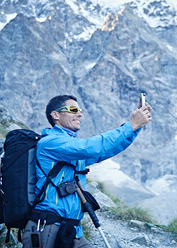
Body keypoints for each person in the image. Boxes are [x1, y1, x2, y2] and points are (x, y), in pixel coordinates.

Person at [22, 94, 152, 248]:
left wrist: (135, 127)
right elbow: (91, 147)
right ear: (55, 115)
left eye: (80, 110)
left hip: (71, 230)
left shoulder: (71, 148)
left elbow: (106, 150)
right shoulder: (51, 142)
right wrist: (130, 125)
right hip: (46, 227)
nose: (80, 114)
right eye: (73, 109)